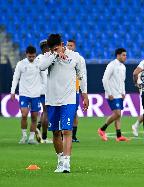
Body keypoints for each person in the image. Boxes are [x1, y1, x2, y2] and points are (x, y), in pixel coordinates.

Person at [39, 34, 89, 173]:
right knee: (55, 132)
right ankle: (60, 160)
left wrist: (85, 95)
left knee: (67, 130)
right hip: (52, 100)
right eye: (52, 49)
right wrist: (55, 55)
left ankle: (66, 163)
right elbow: (41, 67)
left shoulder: (76, 57)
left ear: (62, 44)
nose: (55, 50)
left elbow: (82, 76)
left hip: (69, 98)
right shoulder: (47, 56)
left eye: (57, 48)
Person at [10, 45, 42, 144]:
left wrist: (44, 90)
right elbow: (15, 78)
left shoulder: (39, 63)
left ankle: (31, 138)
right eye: (29, 57)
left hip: (36, 94)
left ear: (35, 55)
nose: (31, 58)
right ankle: (24, 136)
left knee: (34, 116)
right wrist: (12, 91)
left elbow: (44, 77)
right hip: (24, 93)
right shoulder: (21, 64)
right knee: (24, 114)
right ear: (26, 55)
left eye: (33, 56)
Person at [98, 48, 129, 142]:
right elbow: (105, 79)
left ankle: (119, 136)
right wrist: (109, 92)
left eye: (125, 55)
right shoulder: (112, 65)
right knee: (117, 114)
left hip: (119, 94)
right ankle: (102, 129)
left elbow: (122, 81)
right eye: (123, 55)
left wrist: (123, 92)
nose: (125, 57)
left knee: (118, 115)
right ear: (118, 55)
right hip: (112, 94)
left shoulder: (123, 67)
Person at [66, 39, 87, 143]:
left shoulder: (79, 59)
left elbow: (83, 76)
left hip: (75, 90)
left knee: (74, 113)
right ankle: (64, 134)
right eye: (67, 45)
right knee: (64, 113)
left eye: (71, 45)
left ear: (74, 47)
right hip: (63, 90)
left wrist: (84, 93)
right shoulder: (62, 57)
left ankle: (73, 136)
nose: (69, 47)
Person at [35, 39, 53, 144]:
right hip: (49, 90)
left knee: (44, 111)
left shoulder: (37, 59)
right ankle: (45, 137)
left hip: (40, 90)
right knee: (47, 112)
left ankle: (38, 126)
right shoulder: (50, 58)